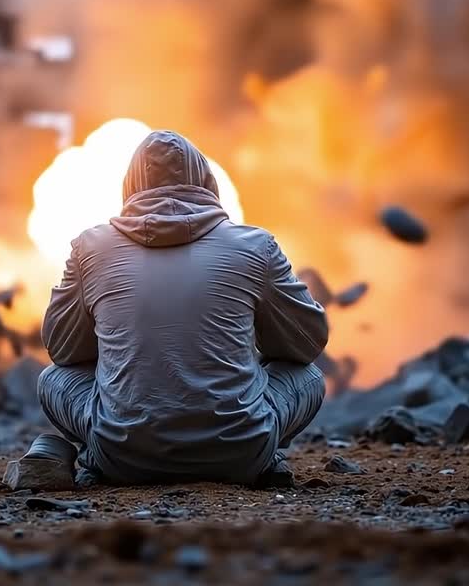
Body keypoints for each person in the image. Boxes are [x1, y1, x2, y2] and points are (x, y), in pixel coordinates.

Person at [37, 130, 329, 485]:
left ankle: (98, 459)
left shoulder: (90, 249)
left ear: (129, 187)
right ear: (207, 181)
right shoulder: (256, 246)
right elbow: (307, 343)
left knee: (52, 379)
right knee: (308, 376)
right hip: (242, 455)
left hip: (122, 460)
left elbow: (63, 351)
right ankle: (261, 458)